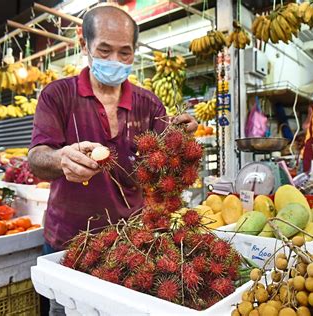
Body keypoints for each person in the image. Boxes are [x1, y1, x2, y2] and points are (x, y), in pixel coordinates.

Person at [28, 5, 197, 254]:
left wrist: (182, 138)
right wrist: (60, 158)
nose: (115, 61)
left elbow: (164, 165)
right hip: (68, 241)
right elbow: (35, 158)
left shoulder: (149, 104)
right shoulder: (57, 95)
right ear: (85, 45)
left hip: (131, 240)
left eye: (125, 53)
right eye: (104, 51)